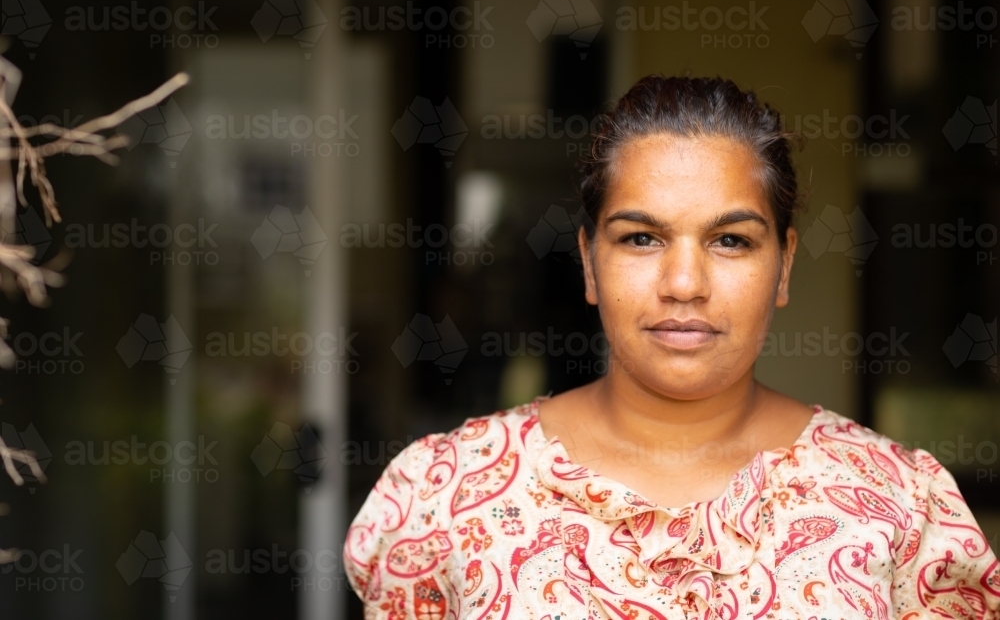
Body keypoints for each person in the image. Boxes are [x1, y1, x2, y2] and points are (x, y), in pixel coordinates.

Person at [344, 76, 1000, 619]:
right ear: (589, 263)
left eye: (731, 240)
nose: (684, 284)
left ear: (785, 265)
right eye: (640, 238)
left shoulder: (898, 504)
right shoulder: (445, 494)